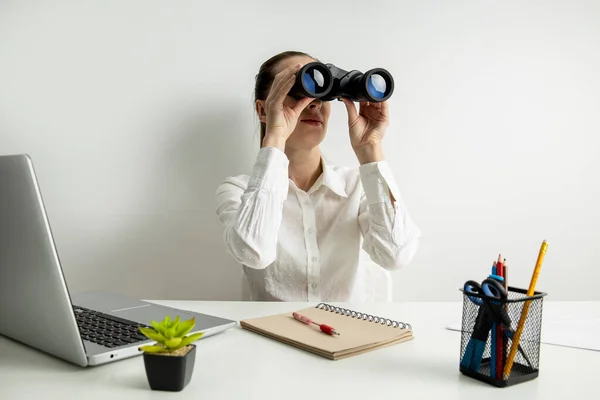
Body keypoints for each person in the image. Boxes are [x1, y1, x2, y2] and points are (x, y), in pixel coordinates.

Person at [215, 50, 421, 302]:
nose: (314, 103)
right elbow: (253, 252)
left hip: (352, 337)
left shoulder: (358, 185)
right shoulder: (237, 190)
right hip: (272, 338)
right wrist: (276, 136)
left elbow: (395, 256)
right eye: (297, 90)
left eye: (321, 93)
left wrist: (371, 149)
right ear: (262, 109)